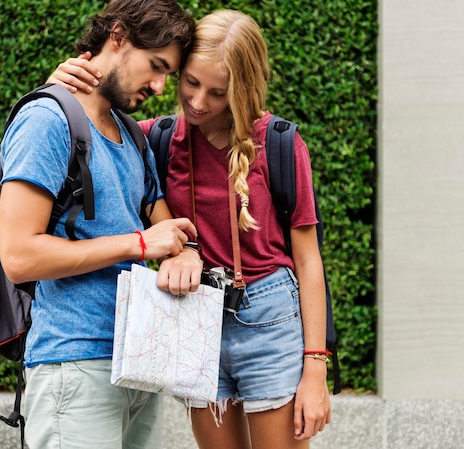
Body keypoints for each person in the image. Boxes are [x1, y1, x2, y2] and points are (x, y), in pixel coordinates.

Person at [48, 9, 331, 449]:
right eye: (191, 83)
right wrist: (61, 83)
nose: (199, 102)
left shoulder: (278, 144)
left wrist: (316, 368)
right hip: (196, 317)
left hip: (270, 319)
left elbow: (309, 260)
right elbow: (90, 129)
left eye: (218, 93)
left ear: (243, 89)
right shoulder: (155, 140)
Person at [0, 1, 201, 448]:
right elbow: (18, 256)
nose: (161, 85)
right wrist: (137, 245)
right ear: (118, 37)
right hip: (75, 364)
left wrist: (184, 252)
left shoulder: (132, 135)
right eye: (156, 66)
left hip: (137, 363)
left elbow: (168, 234)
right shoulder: (46, 121)